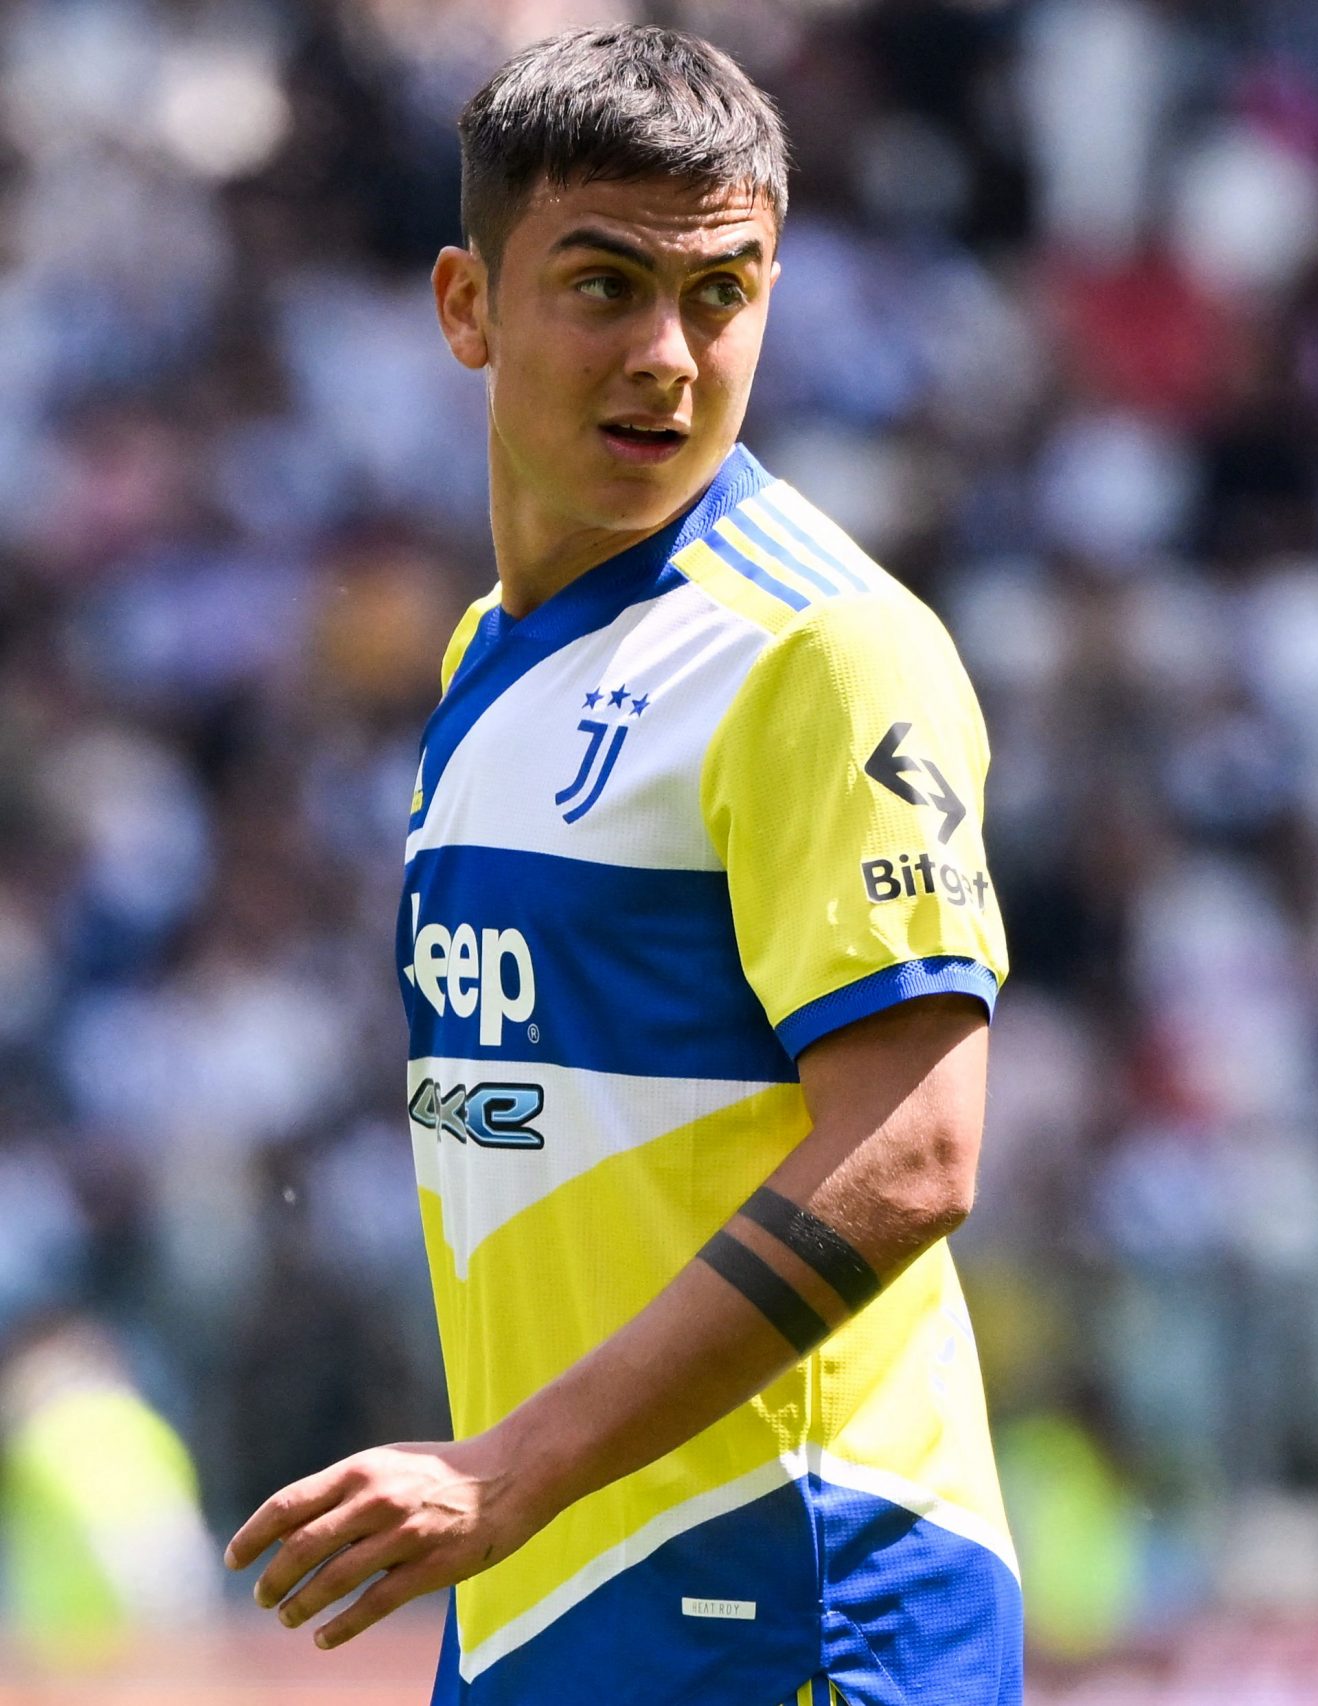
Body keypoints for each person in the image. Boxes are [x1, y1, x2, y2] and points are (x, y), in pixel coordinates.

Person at [219, 27, 1020, 1706]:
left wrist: (509, 1467)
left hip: (790, 1599)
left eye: (720, 294)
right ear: (466, 307)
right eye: (604, 286)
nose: (668, 353)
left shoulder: (821, 643)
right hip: (548, 1598)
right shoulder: (480, 663)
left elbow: (920, 1145)